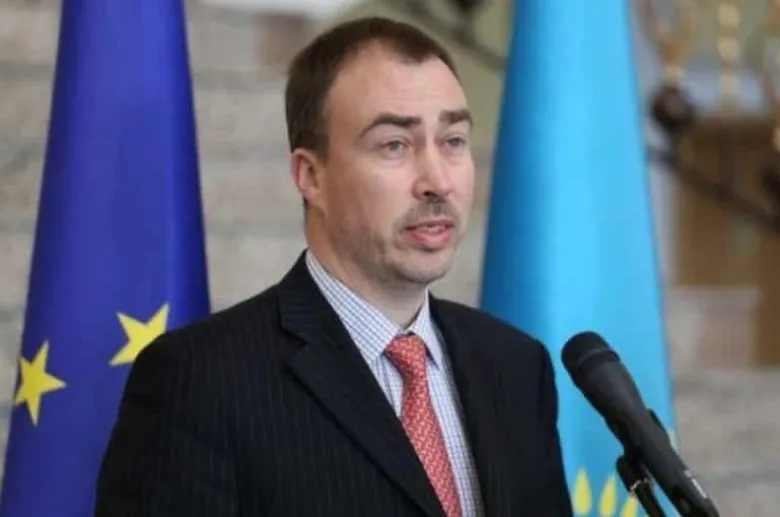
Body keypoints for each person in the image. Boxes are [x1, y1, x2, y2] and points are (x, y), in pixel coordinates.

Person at [94, 16, 573, 517]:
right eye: (395, 145)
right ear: (311, 176)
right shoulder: (200, 380)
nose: (438, 181)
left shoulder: (516, 366)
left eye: (453, 140)